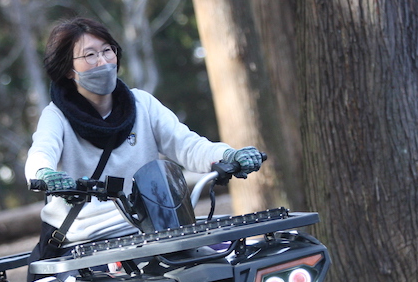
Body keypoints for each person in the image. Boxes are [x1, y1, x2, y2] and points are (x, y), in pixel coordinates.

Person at [25, 17, 263, 266]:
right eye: (90, 55)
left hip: (154, 231)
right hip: (86, 242)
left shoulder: (142, 104)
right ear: (67, 69)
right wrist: (45, 174)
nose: (103, 61)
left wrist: (228, 155)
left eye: (107, 51)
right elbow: (40, 153)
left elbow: (188, 145)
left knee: (223, 267)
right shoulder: (56, 116)